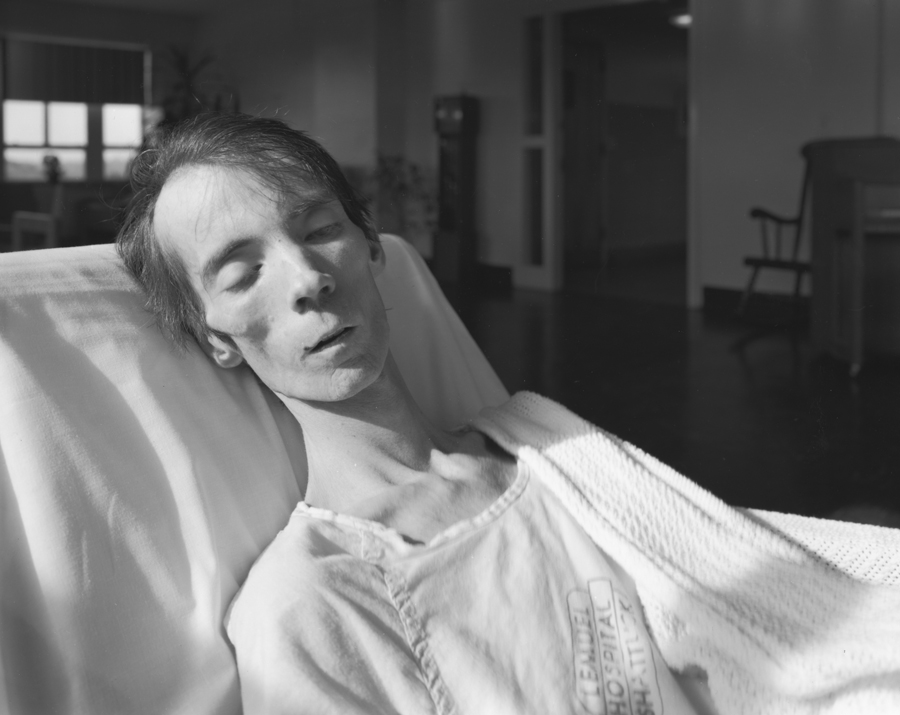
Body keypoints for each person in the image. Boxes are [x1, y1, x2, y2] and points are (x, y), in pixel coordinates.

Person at [117, 113, 900, 715]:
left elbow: (730, 596)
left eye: (321, 228)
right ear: (216, 339)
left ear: (373, 248)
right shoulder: (310, 608)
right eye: (243, 271)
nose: (306, 278)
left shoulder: (550, 455)